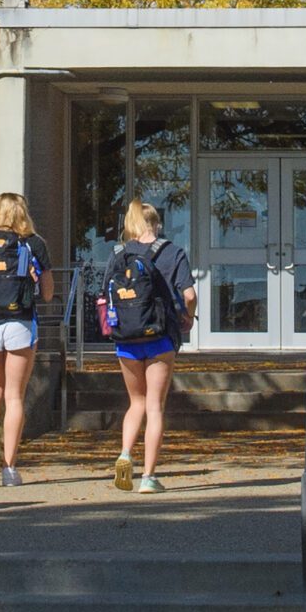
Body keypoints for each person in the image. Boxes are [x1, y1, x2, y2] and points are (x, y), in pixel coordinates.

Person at [107, 200, 194, 494]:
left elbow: (106, 296)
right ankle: (148, 477)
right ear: (156, 224)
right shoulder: (171, 252)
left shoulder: (119, 254)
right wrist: (188, 317)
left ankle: (125, 454)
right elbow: (190, 294)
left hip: (127, 339)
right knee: (155, 406)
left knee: (136, 403)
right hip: (159, 336)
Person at [0, 192, 52, 488]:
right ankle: (9, 469)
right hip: (20, 323)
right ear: (22, 214)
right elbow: (48, 293)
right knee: (14, 396)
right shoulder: (34, 243)